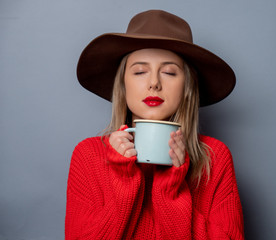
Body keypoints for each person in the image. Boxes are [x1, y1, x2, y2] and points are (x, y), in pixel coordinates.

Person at [65, 10, 244, 239]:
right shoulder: (88, 155)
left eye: (169, 72)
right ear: (123, 85)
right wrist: (123, 179)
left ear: (187, 87)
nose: (154, 83)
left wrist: (171, 188)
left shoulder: (215, 157)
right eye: (140, 71)